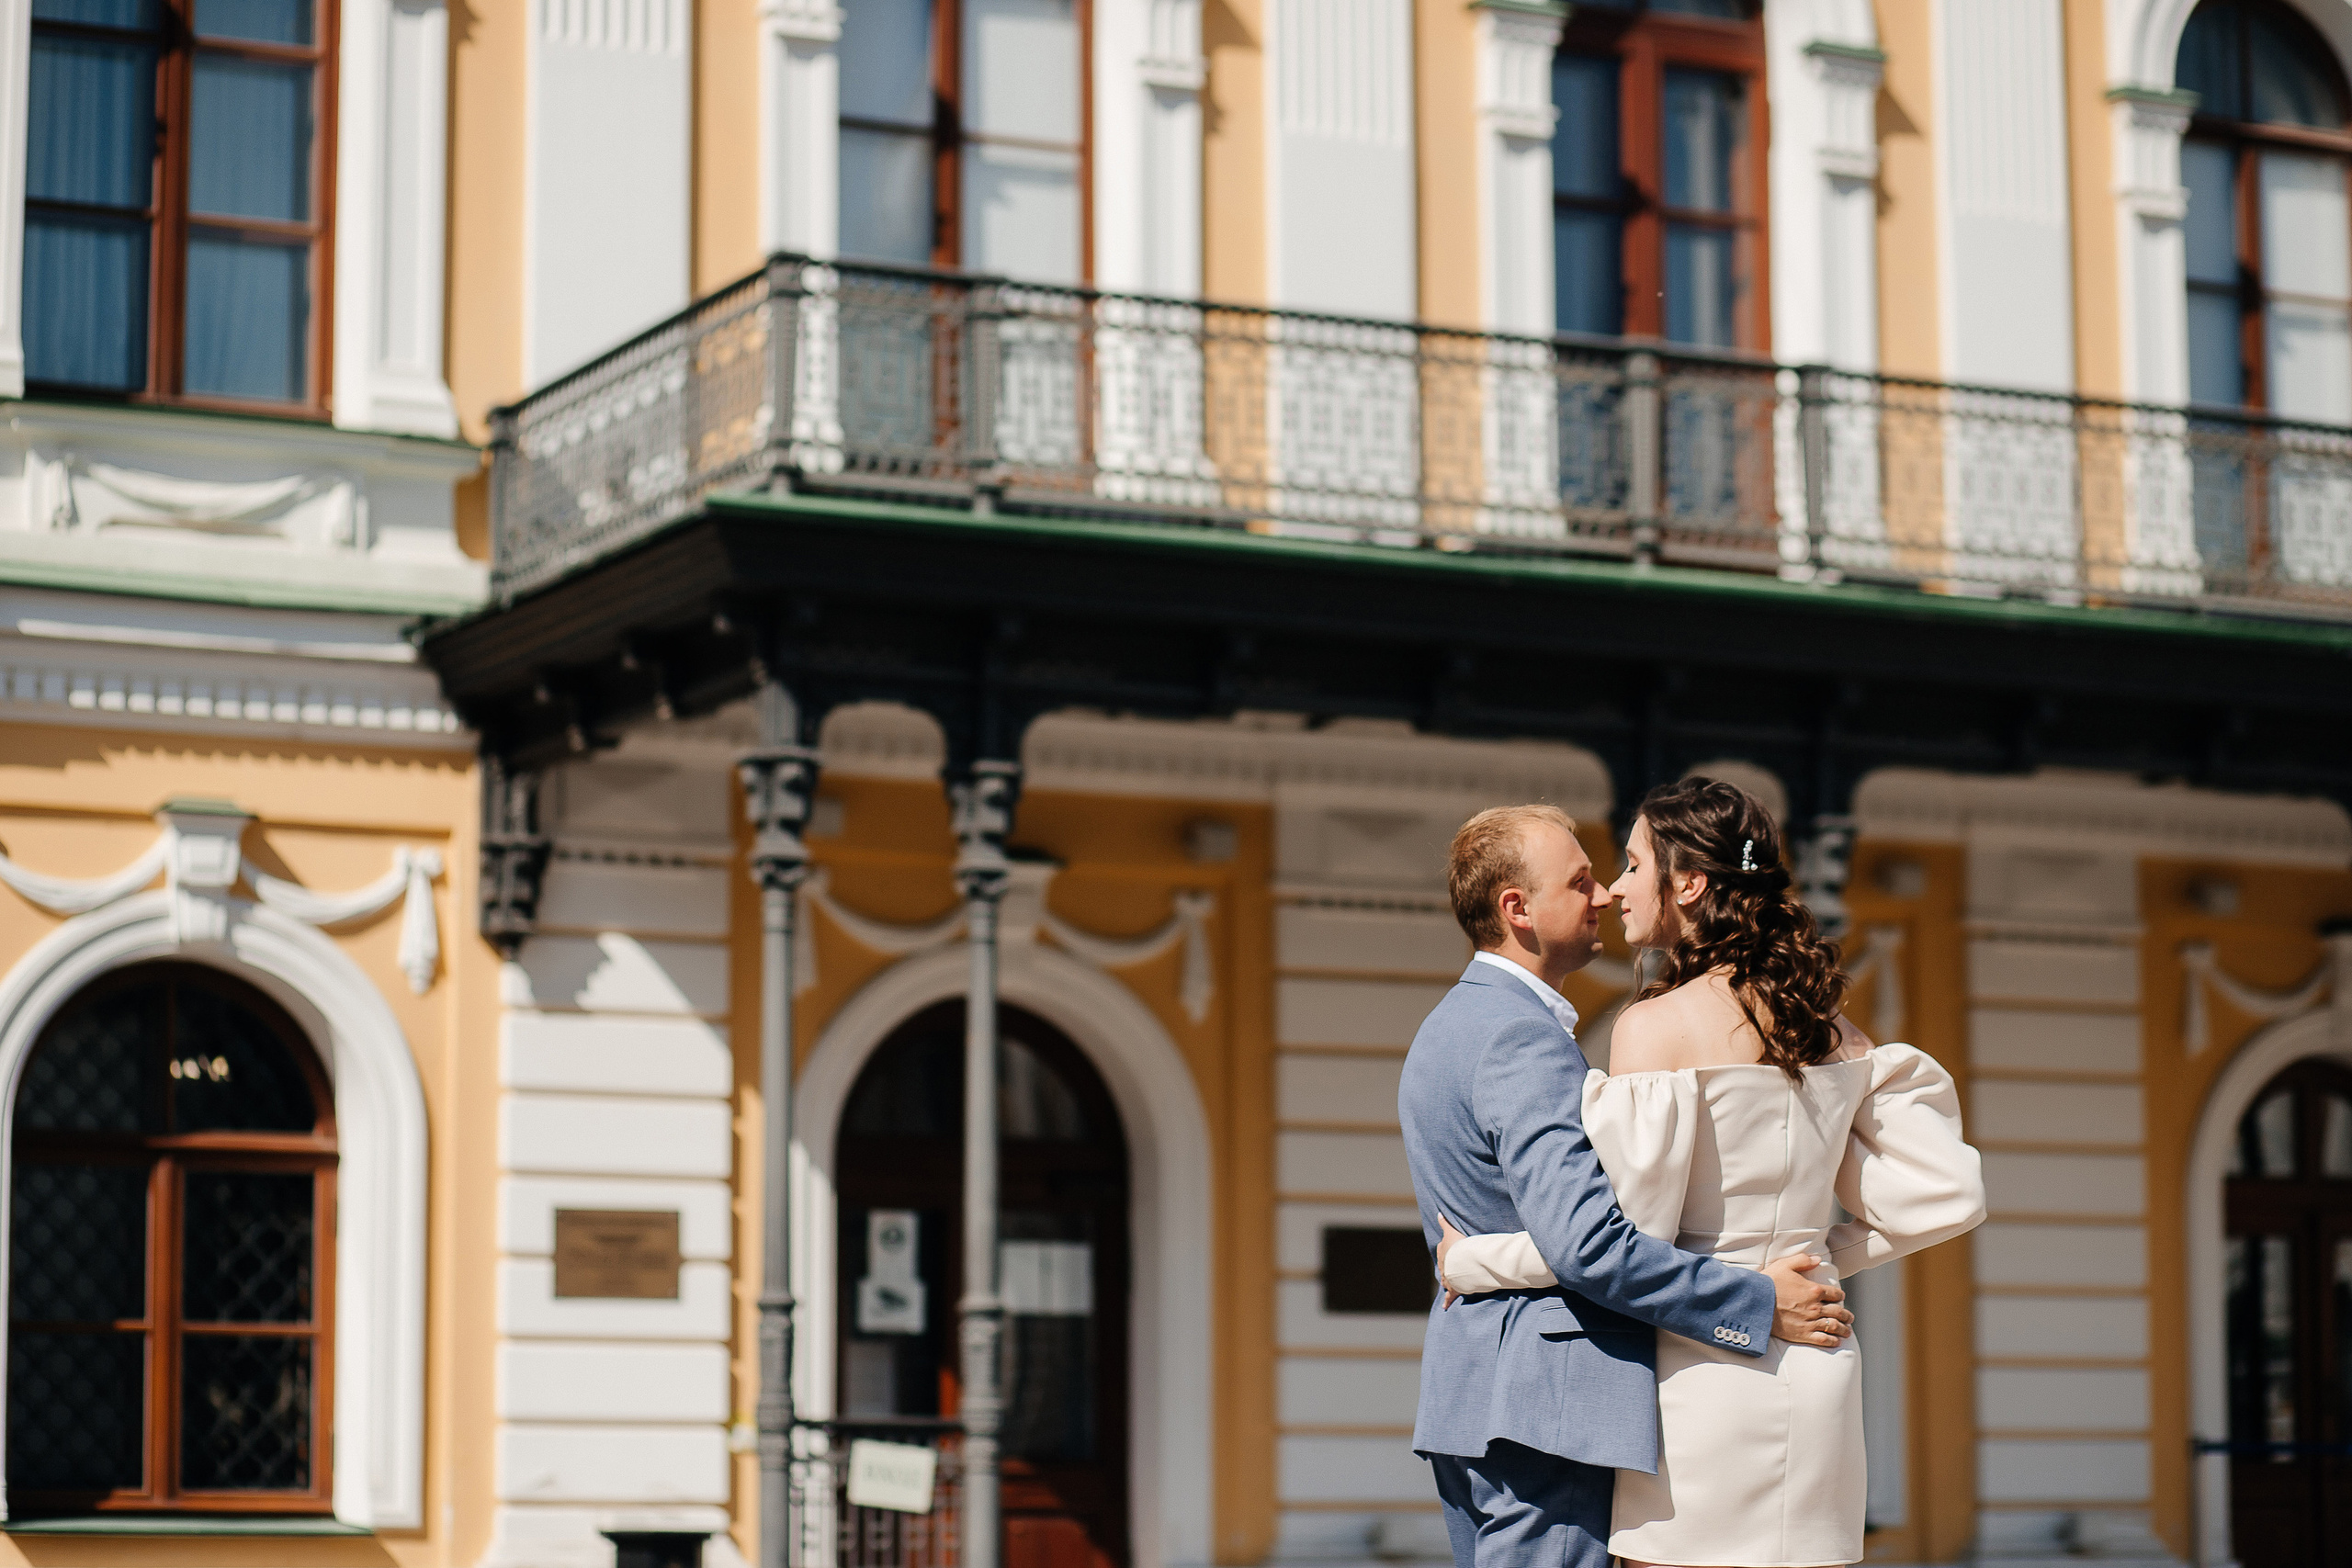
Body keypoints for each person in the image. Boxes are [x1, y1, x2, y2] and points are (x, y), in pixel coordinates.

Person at [1436, 780, 1986, 1568]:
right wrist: (1822, 1261)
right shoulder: (1831, 1029)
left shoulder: (1654, 1029)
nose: (1615, 888)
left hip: (1704, 1379)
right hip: (1819, 1374)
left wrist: (1471, 1260)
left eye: (1631, 865)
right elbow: (1946, 1196)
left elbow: (1616, 1241)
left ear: (1688, 884)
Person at [1399, 800, 1857, 1568]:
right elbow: (1589, 1243)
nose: (1606, 893)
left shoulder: (1451, 1023)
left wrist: (1473, 1262)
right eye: (1580, 882)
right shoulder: (1522, 1037)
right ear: (1517, 908)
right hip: (1550, 1403)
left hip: (1478, 1394)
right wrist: (1758, 1299)